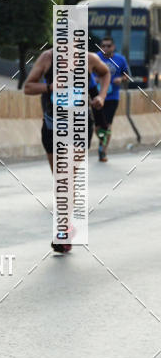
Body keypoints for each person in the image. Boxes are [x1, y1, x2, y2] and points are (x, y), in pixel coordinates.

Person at [24, 47, 110, 252]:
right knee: (60, 181)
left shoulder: (89, 59)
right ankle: (67, 227)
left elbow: (105, 73)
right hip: (52, 126)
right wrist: (50, 87)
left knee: (66, 178)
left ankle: (62, 231)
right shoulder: (47, 58)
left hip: (79, 126)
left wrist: (102, 97)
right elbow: (28, 87)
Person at [92, 36, 131, 162]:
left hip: (112, 97)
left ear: (113, 47)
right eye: (103, 46)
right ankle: (102, 141)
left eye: (108, 46)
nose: (106, 48)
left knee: (107, 125)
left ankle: (103, 150)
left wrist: (121, 79)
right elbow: (86, 74)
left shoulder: (120, 59)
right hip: (97, 97)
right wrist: (95, 79)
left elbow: (127, 75)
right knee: (98, 127)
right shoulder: (95, 58)